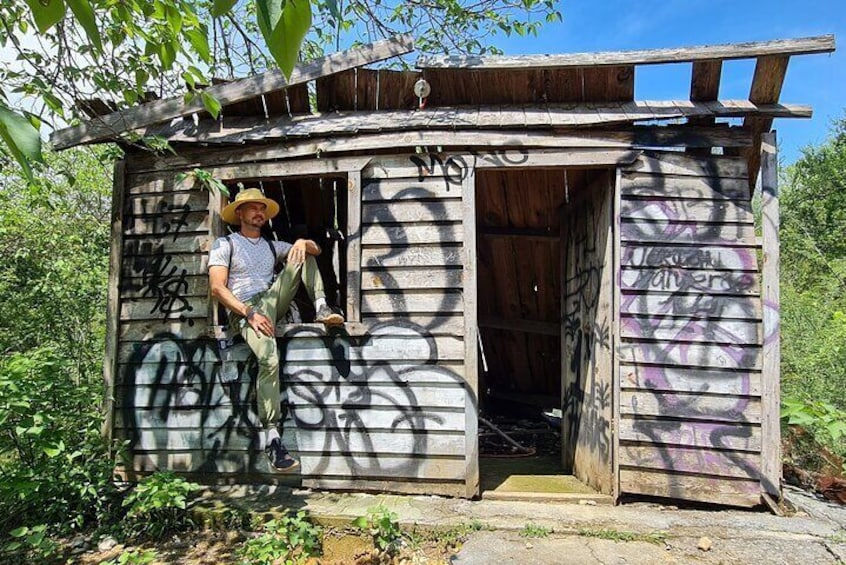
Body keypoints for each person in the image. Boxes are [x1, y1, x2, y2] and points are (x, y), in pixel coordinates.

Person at [208, 188, 344, 472]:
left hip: (272, 302)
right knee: (268, 358)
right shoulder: (226, 244)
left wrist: (301, 242)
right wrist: (248, 313)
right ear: (240, 214)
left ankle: (321, 306)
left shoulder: (272, 246)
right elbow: (217, 288)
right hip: (244, 310)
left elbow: (315, 251)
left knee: (300, 253)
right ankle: (273, 439)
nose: (259, 213)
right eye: (252, 208)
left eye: (262, 209)